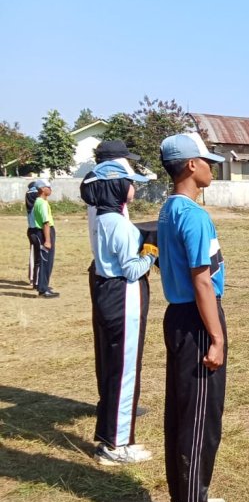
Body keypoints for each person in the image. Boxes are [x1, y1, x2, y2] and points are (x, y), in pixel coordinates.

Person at [157, 133, 242, 502]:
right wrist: (217, 337)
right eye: (207, 160)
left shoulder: (169, 208)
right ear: (191, 165)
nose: (212, 166)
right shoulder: (192, 214)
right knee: (199, 417)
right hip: (196, 319)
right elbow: (202, 281)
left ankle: (184, 498)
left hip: (180, 316)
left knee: (181, 411)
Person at [84, 160, 156, 466]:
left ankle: (108, 437)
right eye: (130, 182)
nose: (134, 187)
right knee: (126, 372)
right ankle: (118, 444)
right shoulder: (121, 225)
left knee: (113, 368)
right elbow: (131, 270)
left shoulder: (101, 218)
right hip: (123, 296)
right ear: (116, 186)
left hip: (105, 292)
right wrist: (151, 252)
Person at [31, 179, 59, 297]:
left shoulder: (41, 202)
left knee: (48, 260)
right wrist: (47, 240)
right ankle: (43, 289)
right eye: (48, 187)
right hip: (43, 233)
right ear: (42, 189)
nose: (50, 189)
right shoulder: (41, 203)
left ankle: (44, 286)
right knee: (46, 261)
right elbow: (45, 223)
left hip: (45, 232)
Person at [25, 181, 40, 289]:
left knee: (33, 254)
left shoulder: (29, 196)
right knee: (37, 256)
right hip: (36, 229)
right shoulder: (35, 197)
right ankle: (35, 280)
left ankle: (32, 278)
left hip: (32, 229)